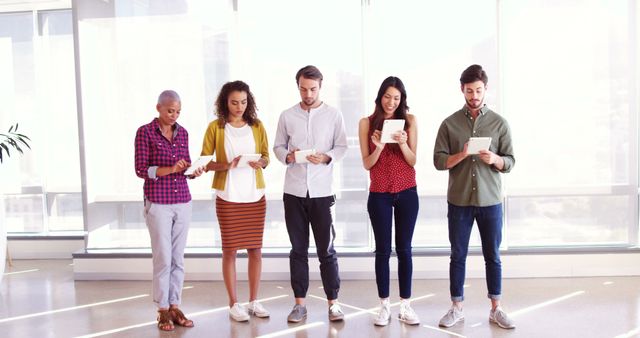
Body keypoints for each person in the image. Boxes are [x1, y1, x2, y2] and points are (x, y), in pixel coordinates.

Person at [433, 64, 516, 329]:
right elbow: (438, 161)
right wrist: (463, 153)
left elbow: (511, 161)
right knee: (457, 255)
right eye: (469, 91)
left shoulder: (499, 123)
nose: (474, 95)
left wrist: (495, 159)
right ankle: (457, 307)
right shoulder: (449, 124)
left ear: (485, 89)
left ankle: (496, 308)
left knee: (493, 255)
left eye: (478, 90)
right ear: (462, 90)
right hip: (459, 202)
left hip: (490, 200)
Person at [273, 65, 348, 323]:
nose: (308, 94)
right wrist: (288, 156)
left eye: (313, 89)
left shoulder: (333, 115)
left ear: (320, 87)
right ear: (298, 87)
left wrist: (326, 157)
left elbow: (342, 146)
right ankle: (299, 305)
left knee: (326, 250)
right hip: (293, 191)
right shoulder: (287, 115)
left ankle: (333, 304)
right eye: (303, 89)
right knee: (298, 249)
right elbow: (277, 147)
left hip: (322, 192)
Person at [200, 81, 270, 322]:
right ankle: (233, 303)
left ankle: (253, 301)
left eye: (243, 101)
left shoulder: (257, 126)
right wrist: (227, 165)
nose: (239, 107)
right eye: (234, 102)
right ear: (224, 103)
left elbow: (266, 156)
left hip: (255, 196)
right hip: (228, 196)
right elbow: (205, 162)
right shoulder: (216, 128)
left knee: (255, 250)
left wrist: (261, 162)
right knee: (229, 251)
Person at [134, 90, 204, 331]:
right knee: (163, 257)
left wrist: (192, 171)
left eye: (178, 111)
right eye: (170, 110)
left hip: (183, 200)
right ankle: (162, 309)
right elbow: (142, 170)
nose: (174, 115)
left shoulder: (183, 132)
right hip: (158, 202)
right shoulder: (145, 132)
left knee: (178, 258)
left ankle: (175, 305)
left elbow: (183, 166)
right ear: (159, 108)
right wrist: (170, 168)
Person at [358, 76, 420, 326]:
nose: (391, 102)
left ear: (401, 99)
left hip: (407, 191)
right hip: (380, 194)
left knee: (404, 250)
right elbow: (367, 164)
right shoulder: (367, 123)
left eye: (396, 97)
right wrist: (380, 145)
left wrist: (403, 143)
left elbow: (413, 160)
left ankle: (406, 305)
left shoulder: (410, 121)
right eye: (387, 96)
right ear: (379, 96)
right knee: (383, 251)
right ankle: (384, 306)